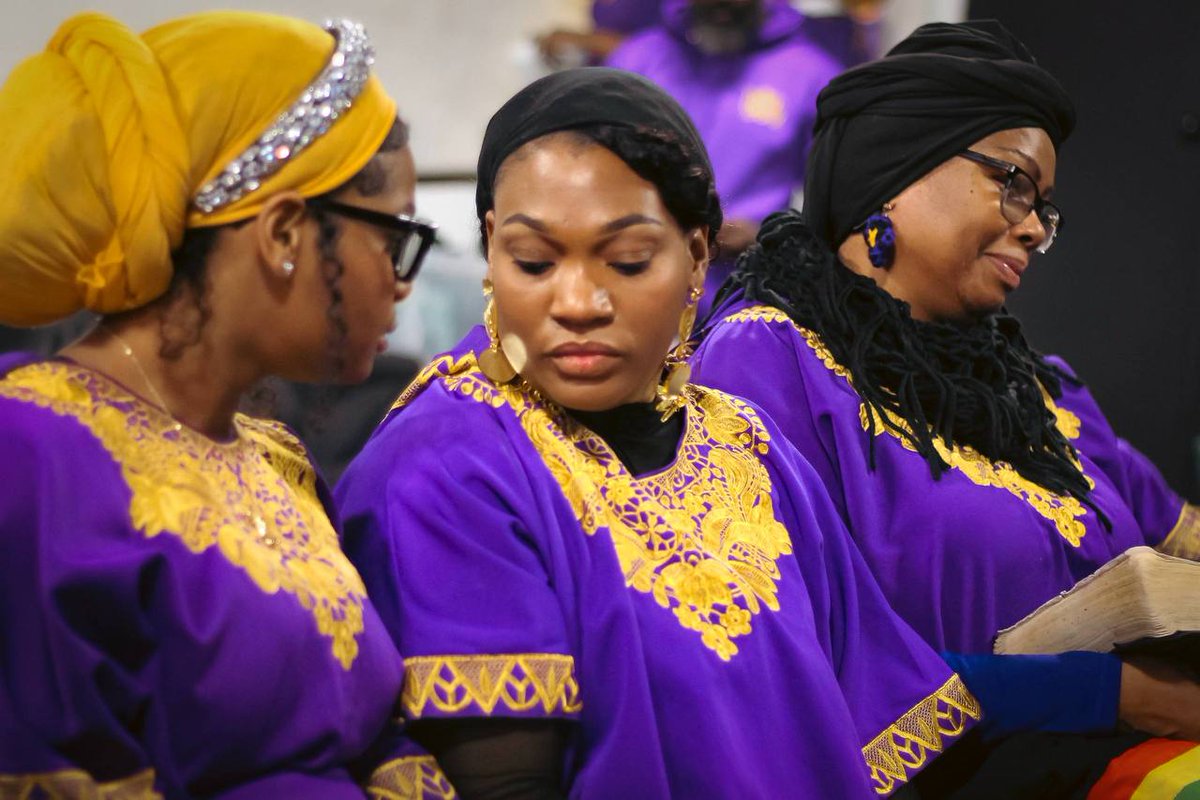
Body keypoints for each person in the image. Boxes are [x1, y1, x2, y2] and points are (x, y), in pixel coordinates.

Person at [336, 67, 981, 799]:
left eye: (628, 261)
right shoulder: (446, 464)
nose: (577, 302)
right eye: (534, 262)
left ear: (698, 257)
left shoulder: (749, 446)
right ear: (490, 250)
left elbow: (887, 733)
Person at [690, 20, 1200, 795]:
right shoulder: (767, 361)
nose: (1033, 226)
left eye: (1044, 208)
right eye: (1014, 183)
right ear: (897, 170)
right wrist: (1117, 694)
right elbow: (793, 656)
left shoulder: (1036, 390)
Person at [0, 12, 449, 797]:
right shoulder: (31, 450)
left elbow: (375, 732)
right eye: (394, 237)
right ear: (283, 233)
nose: (402, 281)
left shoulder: (276, 461)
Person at [606, 0, 845, 316]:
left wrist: (768, 233)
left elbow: (838, 202)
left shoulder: (811, 75)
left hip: (751, 295)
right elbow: (593, 171)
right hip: (635, 284)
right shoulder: (636, 61)